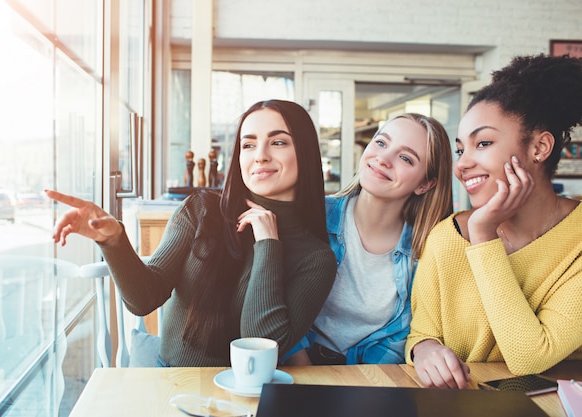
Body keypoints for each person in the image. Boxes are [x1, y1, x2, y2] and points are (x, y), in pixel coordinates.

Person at [45, 99, 337, 367]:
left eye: (278, 142)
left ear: (306, 152)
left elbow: (263, 345)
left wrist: (268, 243)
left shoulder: (316, 258)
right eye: (248, 145)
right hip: (172, 384)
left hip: (245, 394)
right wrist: (113, 241)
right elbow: (143, 299)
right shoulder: (201, 209)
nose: (260, 156)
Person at [406, 54, 582, 389]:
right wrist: (424, 350)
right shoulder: (447, 237)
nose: (462, 165)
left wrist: (484, 236)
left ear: (540, 147)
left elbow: (530, 356)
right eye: (460, 150)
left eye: (483, 143)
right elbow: (422, 332)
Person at [283, 113, 453, 365]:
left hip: (369, 378)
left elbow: (398, 339)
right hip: (295, 368)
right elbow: (278, 302)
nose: (383, 159)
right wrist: (307, 375)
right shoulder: (311, 216)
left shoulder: (427, 249)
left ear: (425, 184)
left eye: (405, 158)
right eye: (381, 143)